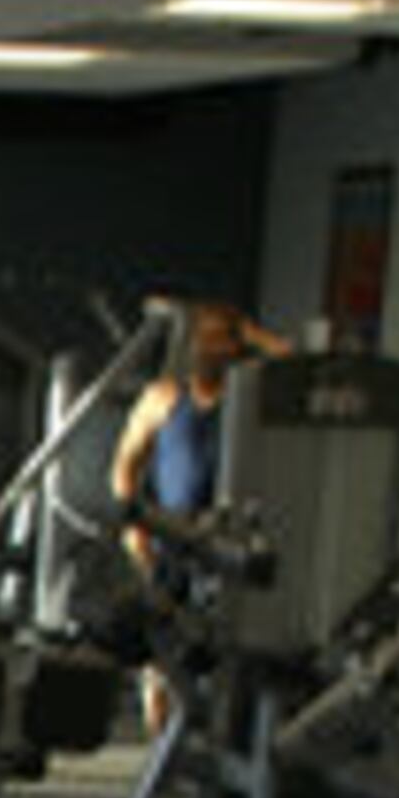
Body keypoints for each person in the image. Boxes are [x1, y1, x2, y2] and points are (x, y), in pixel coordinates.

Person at [108, 296, 290, 730]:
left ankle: (211, 738)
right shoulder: (163, 398)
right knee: (160, 654)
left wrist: (253, 333)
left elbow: (295, 367)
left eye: (223, 340)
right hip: (172, 538)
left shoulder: (249, 401)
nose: (213, 349)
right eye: (205, 339)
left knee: (220, 652)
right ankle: (159, 740)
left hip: (227, 544)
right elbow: (124, 465)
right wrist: (133, 527)